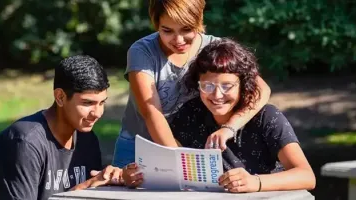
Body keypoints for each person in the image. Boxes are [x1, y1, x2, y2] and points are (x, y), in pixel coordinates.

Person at [122, 38, 316, 193]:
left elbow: (307, 176)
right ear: (197, 84)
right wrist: (136, 176)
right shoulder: (189, 114)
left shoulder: (268, 117)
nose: (217, 95)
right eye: (208, 86)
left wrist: (255, 182)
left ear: (244, 85)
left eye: (227, 86)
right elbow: (170, 171)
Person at [112, 0, 272, 168]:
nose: (178, 40)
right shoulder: (142, 51)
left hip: (191, 146)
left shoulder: (213, 47)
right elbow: (151, 112)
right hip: (140, 146)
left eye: (186, 29)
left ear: (199, 20)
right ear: (156, 24)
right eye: (167, 31)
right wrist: (179, 162)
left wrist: (230, 128)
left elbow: (262, 90)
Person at [0, 55, 123, 200]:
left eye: (102, 103)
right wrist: (80, 190)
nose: (97, 113)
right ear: (60, 97)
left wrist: (112, 181)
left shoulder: (86, 138)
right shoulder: (24, 142)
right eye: (87, 103)